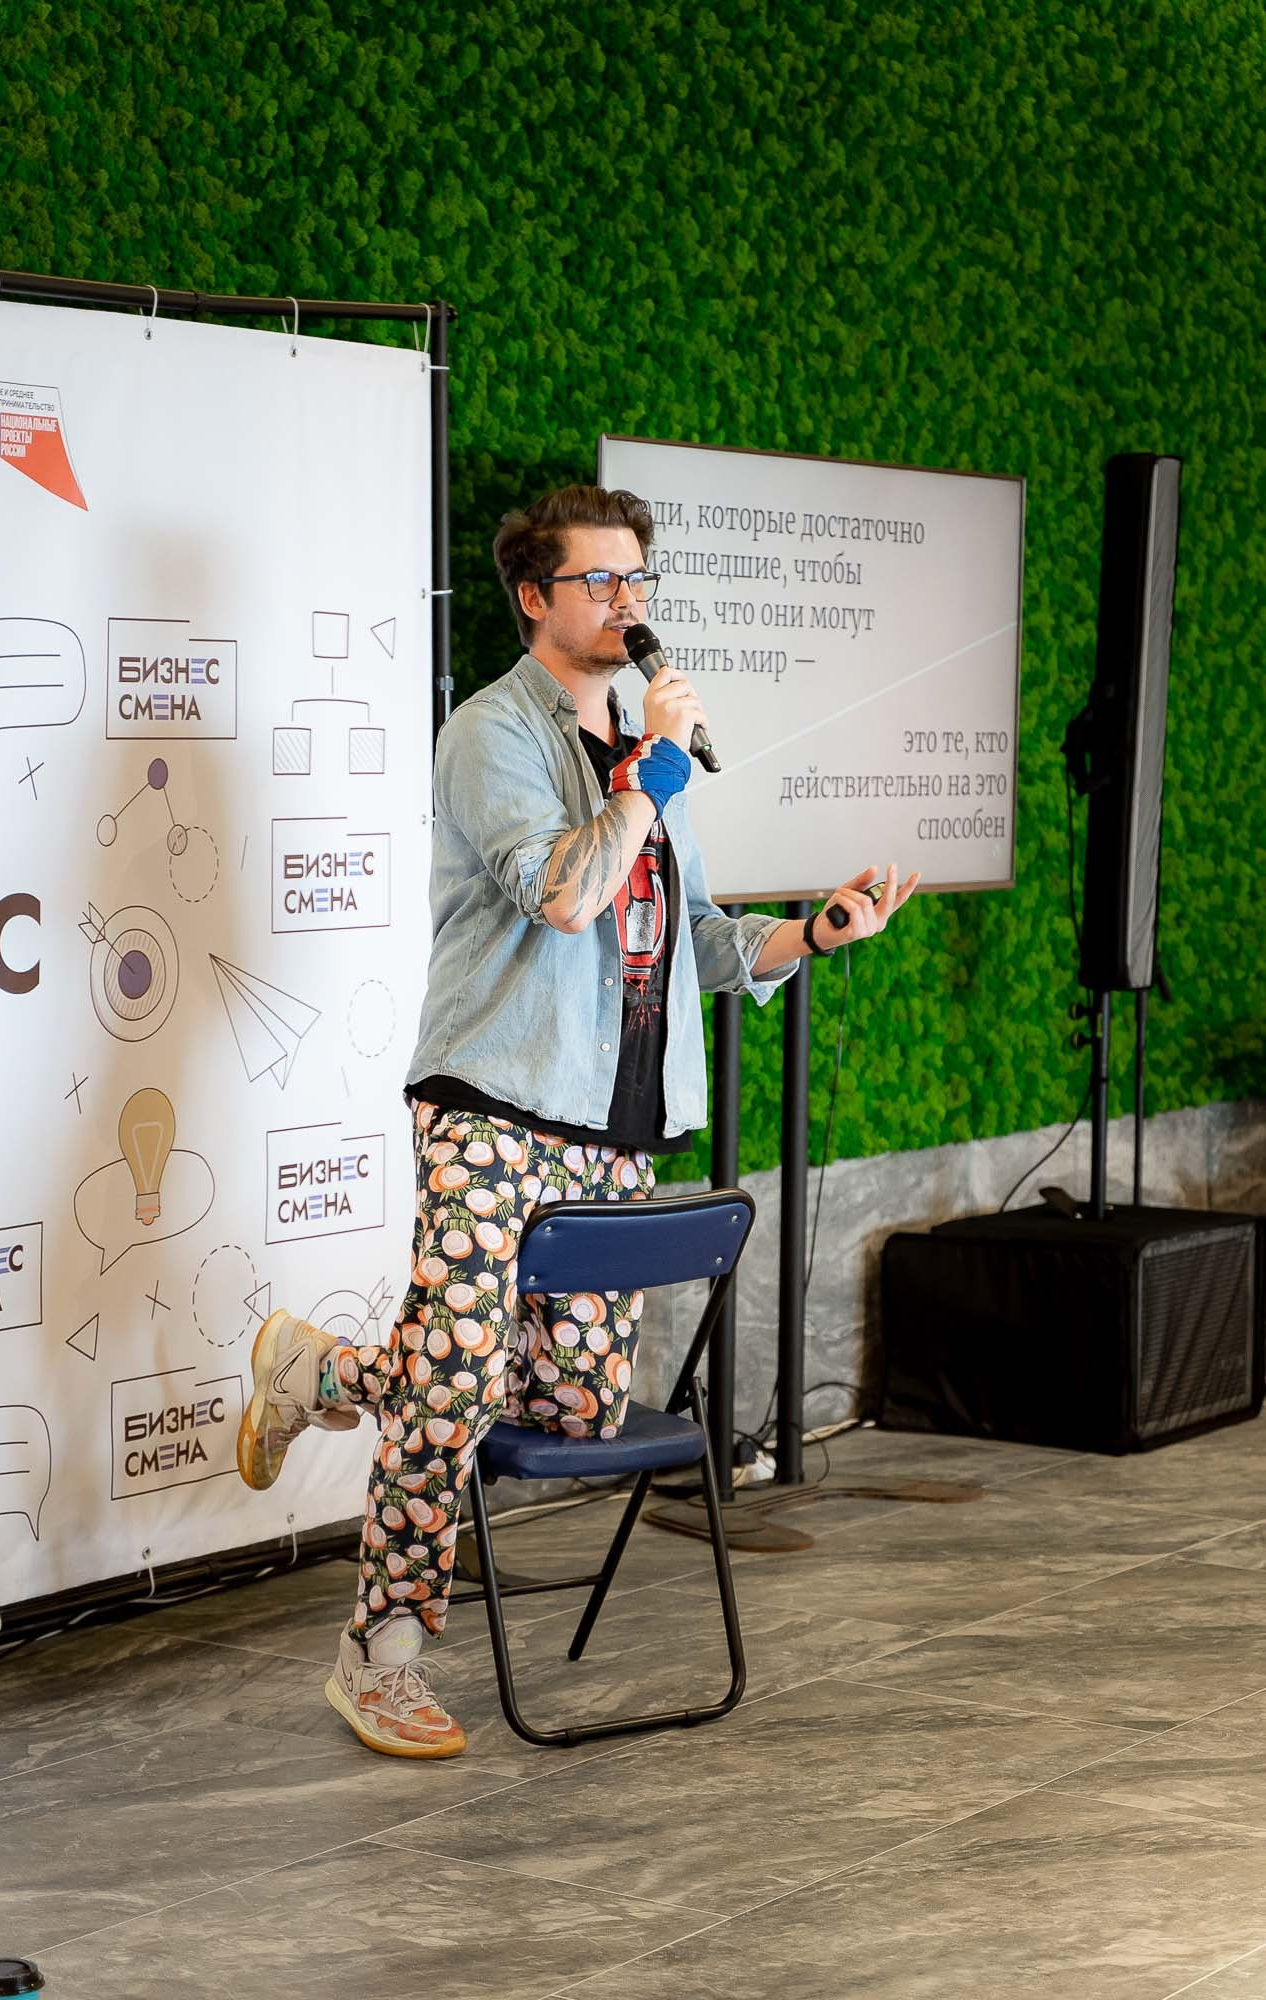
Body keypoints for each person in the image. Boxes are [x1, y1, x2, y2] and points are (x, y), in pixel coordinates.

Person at [236, 484, 919, 1759]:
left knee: (575, 1410)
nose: (626, 602)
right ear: (533, 596)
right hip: (493, 1103)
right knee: (452, 1379)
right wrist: (649, 771)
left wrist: (815, 932)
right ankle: (381, 1654)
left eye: (636, 580)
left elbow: (690, 933)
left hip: (616, 1123)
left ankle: (319, 1374)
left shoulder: (650, 758)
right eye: (599, 580)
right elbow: (563, 894)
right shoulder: (490, 734)